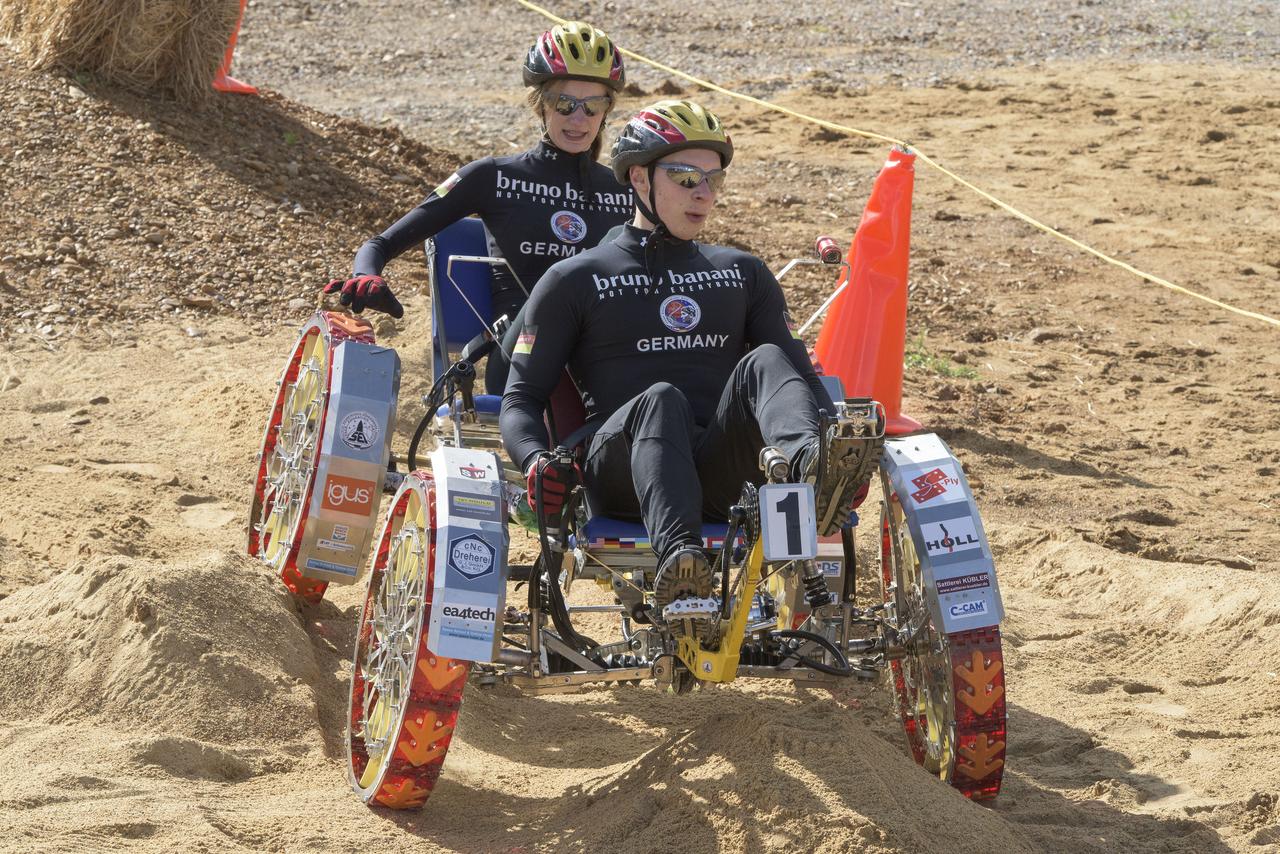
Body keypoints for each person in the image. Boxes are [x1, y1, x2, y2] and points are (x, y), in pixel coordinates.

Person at [500, 100, 868, 607]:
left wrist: (834, 445)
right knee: (661, 398)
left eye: (713, 180)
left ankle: (814, 468)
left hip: (718, 473)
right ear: (638, 178)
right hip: (624, 475)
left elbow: (799, 378)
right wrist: (536, 460)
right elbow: (520, 398)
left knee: (768, 360)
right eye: (684, 177)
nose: (703, 194)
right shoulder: (575, 278)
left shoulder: (743, 273)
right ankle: (681, 563)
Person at [324, 21, 634, 394]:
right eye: (564, 103)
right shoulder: (492, 177)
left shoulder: (628, 190)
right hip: (523, 354)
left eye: (592, 106)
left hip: (604, 355)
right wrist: (366, 274)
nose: (578, 119)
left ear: (607, 110)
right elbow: (379, 245)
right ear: (541, 103)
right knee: (565, 291)